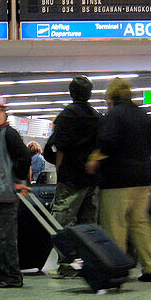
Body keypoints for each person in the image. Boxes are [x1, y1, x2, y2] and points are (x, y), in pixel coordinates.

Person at [87, 78, 151, 282]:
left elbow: (107, 143)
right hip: (142, 179)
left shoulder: (113, 116)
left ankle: (116, 269)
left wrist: (95, 157)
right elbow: (150, 149)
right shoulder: (144, 116)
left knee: (115, 225)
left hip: (117, 180)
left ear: (110, 96)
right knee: (141, 223)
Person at [46, 75, 100, 278]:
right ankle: (89, 261)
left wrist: (60, 172)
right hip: (91, 179)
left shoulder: (67, 116)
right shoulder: (96, 116)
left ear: (71, 92)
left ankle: (68, 264)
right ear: (90, 93)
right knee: (89, 224)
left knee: (61, 222)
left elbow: (59, 147)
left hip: (70, 179)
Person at [0, 95, 32, 288]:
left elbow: (25, 156)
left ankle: (11, 275)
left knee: (5, 237)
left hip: (6, 193)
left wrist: (18, 181)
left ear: (4, 113)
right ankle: (3, 273)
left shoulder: (9, 134)